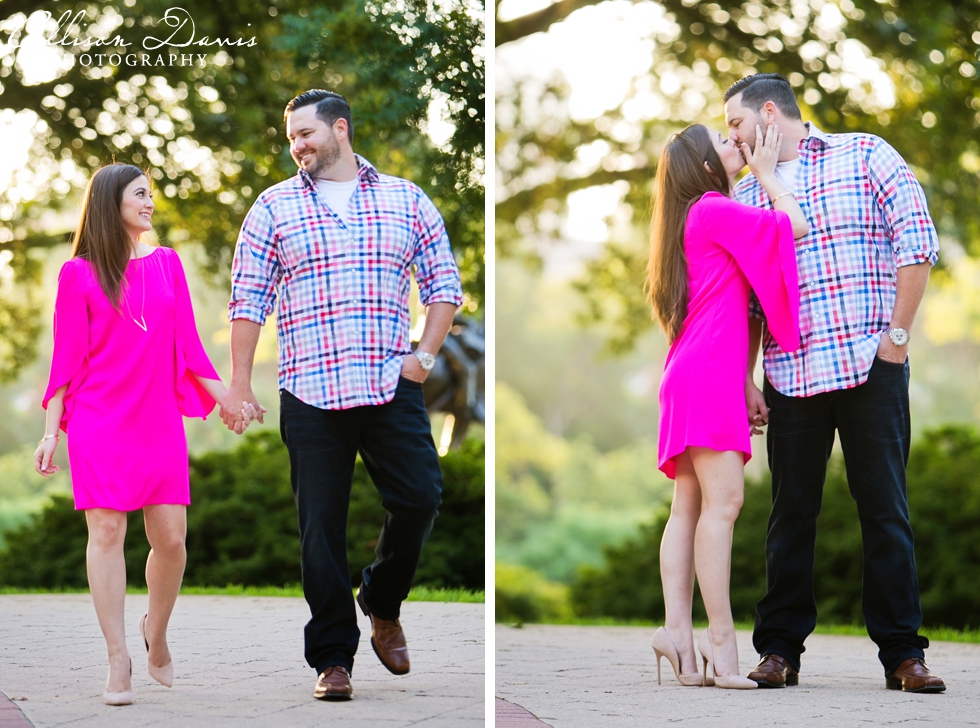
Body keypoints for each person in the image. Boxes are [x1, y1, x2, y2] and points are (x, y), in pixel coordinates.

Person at [224, 89, 463, 701]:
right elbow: (248, 301)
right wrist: (240, 382)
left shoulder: (405, 199)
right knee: (318, 531)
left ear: (340, 128)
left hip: (390, 385)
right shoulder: (272, 207)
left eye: (306, 133)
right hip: (309, 389)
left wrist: (424, 358)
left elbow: (444, 286)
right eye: (291, 138)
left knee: (419, 497)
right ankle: (333, 658)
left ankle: (382, 601)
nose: (297, 146)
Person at [724, 73, 945, 693]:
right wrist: (746, 380)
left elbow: (916, 245)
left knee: (885, 512)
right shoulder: (745, 195)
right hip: (792, 375)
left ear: (769, 114)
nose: (732, 138)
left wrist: (896, 339)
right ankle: (779, 651)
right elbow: (744, 301)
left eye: (736, 124)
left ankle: (904, 654)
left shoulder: (866, 155)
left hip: (872, 367)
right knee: (790, 514)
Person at [34, 164, 256, 706]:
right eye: (140, 194)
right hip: (98, 420)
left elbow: (189, 345)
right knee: (106, 533)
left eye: (151, 194)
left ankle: (154, 632)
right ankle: (117, 659)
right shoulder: (78, 274)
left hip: (156, 419)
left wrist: (228, 395)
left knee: (172, 541)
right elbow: (65, 358)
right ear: (113, 203)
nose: (150, 202)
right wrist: (50, 432)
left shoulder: (168, 266)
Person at [648, 122, 808, 690]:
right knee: (724, 506)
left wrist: (745, 383)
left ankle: (676, 637)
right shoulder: (714, 207)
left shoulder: (693, 215)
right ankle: (722, 649)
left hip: (695, 371)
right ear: (705, 163)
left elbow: (724, 307)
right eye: (723, 138)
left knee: (688, 507)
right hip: (705, 375)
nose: (734, 140)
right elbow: (795, 226)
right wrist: (766, 172)